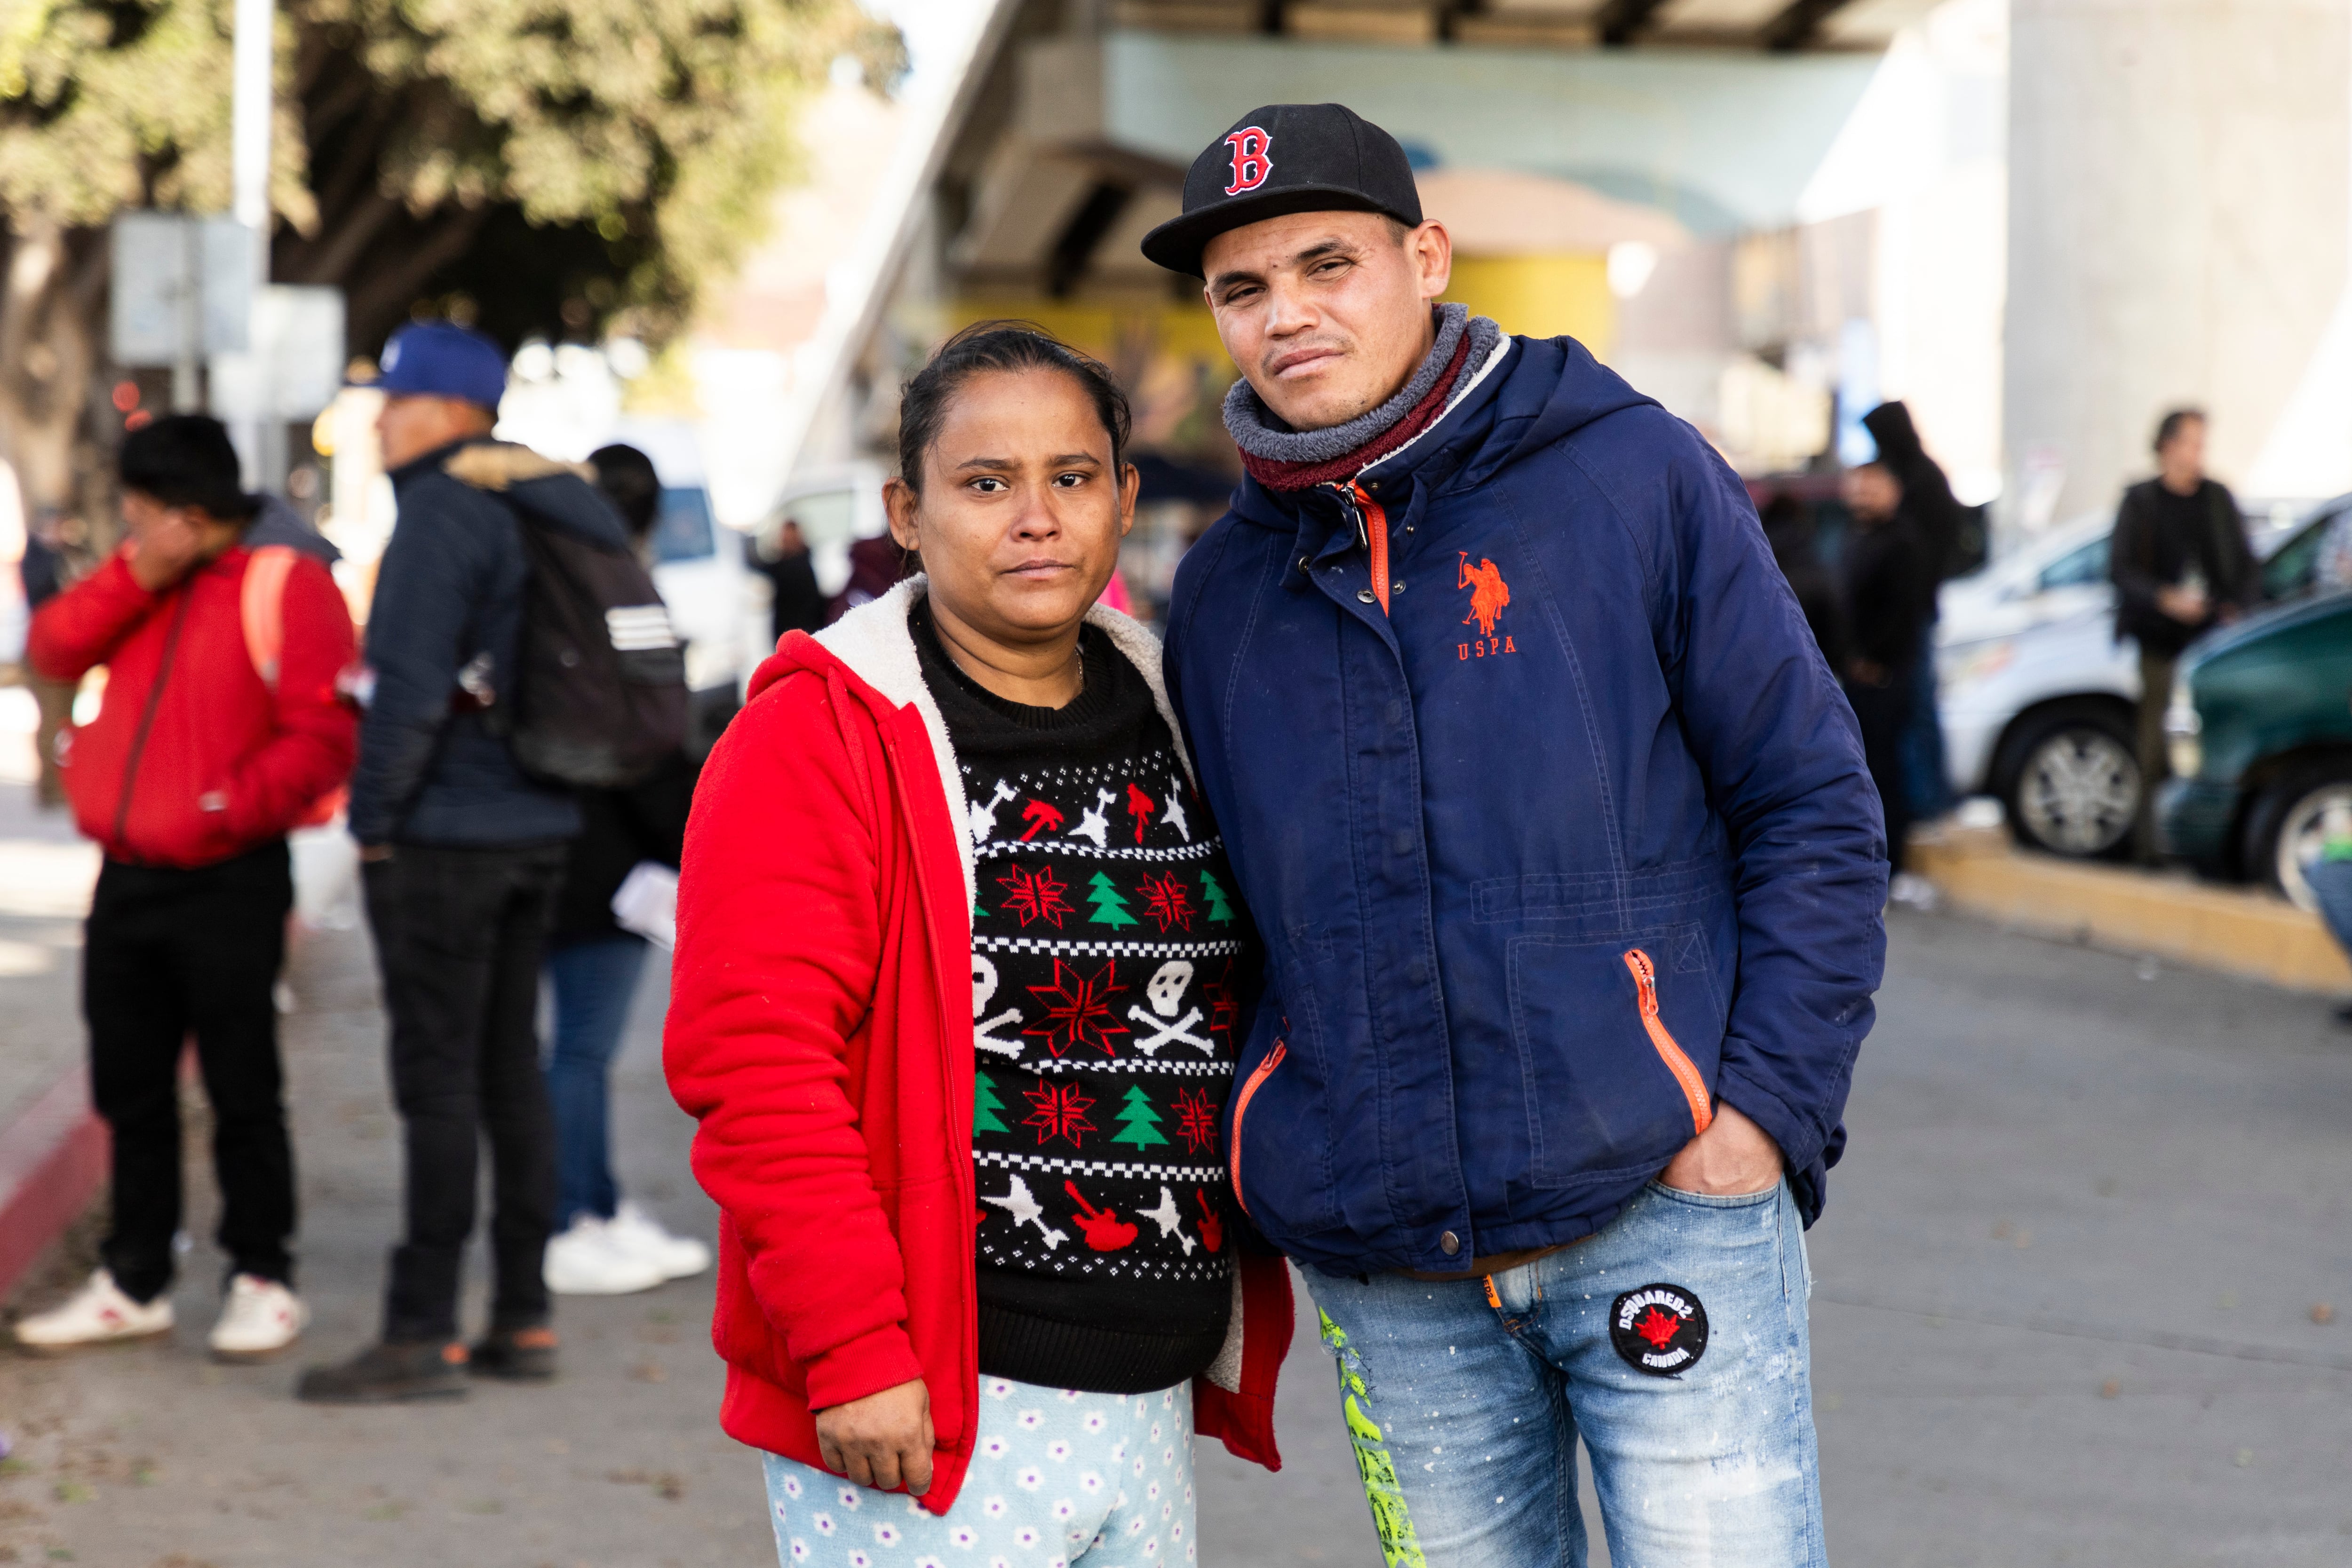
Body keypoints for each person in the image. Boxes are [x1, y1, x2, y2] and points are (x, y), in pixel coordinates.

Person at [1144, 104, 1885, 1568]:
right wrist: (1280, 1141)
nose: (1285, 313)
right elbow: (1231, 918)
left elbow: (1809, 803)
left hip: (1662, 1211)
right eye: (1242, 288)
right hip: (1388, 1266)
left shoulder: (1627, 476)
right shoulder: (1225, 592)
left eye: (1326, 263)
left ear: (1423, 258)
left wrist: (1756, 1119)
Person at [663, 322, 1289, 1566]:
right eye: (986, 482)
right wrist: (852, 1350)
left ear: (1121, 493)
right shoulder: (822, 735)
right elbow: (760, 1072)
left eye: (1071, 476)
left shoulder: (1183, 712)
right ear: (907, 508)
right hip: (934, 1397)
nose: (1037, 517)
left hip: (1147, 1388)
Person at [299, 322, 629, 1402]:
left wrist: (375, 820)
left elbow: (407, 684)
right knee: (505, 1072)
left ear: (443, 412)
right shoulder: (530, 498)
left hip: (446, 836)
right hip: (537, 824)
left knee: (438, 1079)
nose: (380, 420)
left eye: (393, 403)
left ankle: (421, 1327)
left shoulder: (443, 507)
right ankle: (522, 1318)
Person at [14, 415, 357, 1360]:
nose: (129, 524)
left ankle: (263, 1273)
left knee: (243, 1083)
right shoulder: (142, 581)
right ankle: (134, 1276)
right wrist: (136, 572)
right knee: (130, 1086)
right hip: (127, 876)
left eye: (142, 511)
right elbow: (50, 647)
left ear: (190, 511)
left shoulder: (286, 583)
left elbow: (322, 736)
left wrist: (221, 808)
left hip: (229, 875)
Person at [538, 442, 708, 1296]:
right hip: (607, 866)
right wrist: (697, 838)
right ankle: (573, 1217)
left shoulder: (542, 588)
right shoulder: (621, 591)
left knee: (565, 1048)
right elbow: (650, 746)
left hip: (543, 850)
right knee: (579, 1050)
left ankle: (593, 1205)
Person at [2111, 408, 2258, 862]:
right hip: (2160, 639)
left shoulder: (2217, 498)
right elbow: (2121, 571)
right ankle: (2149, 848)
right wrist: (2165, 599)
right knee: (2155, 746)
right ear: (2168, 446)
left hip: (2214, 640)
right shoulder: (2142, 500)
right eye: (2192, 443)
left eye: (2202, 444)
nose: (2199, 453)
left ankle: (2206, 847)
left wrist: (2236, 608)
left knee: (2213, 744)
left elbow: (2246, 565)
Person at [1861, 400, 1964, 824]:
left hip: (1913, 613)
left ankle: (1929, 801)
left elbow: (1923, 557)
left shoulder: (1923, 482)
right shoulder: (1913, 476)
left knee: (1918, 707)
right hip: (1909, 612)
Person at [1839, 461, 1937, 892]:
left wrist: (1875, 660)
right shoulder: (1855, 540)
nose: (1864, 496)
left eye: (1873, 488)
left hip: (1886, 678)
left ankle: (1891, 863)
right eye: (1858, 487)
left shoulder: (1903, 543)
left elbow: (1904, 613)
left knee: (1886, 772)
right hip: (1857, 676)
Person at [755, 515, 828, 646]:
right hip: (806, 634)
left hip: (798, 636)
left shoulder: (788, 567)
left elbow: (757, 564)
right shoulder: (804, 561)